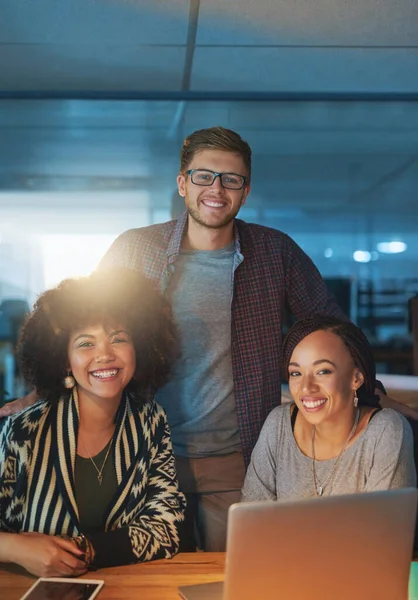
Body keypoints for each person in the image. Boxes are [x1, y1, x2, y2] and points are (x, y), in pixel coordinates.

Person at [0, 127, 415, 551]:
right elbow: (84, 327)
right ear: (183, 183)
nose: (216, 189)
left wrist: (373, 394)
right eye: (203, 176)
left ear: (245, 190)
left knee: (237, 577)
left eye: (230, 179)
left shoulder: (275, 253)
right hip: (145, 456)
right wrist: (42, 392)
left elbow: (334, 331)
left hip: (235, 460)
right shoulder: (135, 249)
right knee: (151, 574)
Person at [0, 269, 186, 577]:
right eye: (86, 343)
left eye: (119, 339)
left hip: (125, 589)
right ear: (64, 359)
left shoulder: (150, 420)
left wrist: (83, 550)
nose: (105, 355)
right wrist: (16, 548)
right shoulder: (24, 430)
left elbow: (167, 527)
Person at [242, 316, 416, 502]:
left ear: (356, 378)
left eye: (323, 371)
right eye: (296, 373)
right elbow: (249, 518)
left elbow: (386, 527)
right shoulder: (278, 425)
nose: (306, 387)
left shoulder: (385, 430)